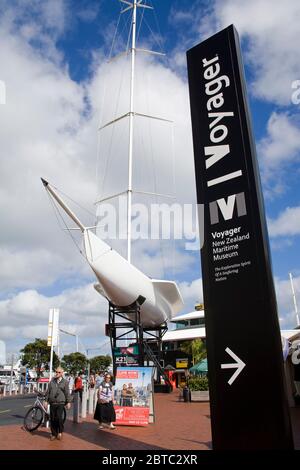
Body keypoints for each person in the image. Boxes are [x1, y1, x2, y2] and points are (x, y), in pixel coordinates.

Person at [44, 367, 71, 441]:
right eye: (56, 372)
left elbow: (67, 393)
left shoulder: (65, 382)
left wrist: (68, 402)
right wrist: (46, 401)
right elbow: (48, 392)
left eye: (59, 372)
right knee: (52, 419)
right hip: (52, 402)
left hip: (60, 402)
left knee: (58, 417)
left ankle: (60, 432)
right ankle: (53, 434)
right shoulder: (52, 381)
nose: (57, 373)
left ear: (62, 373)